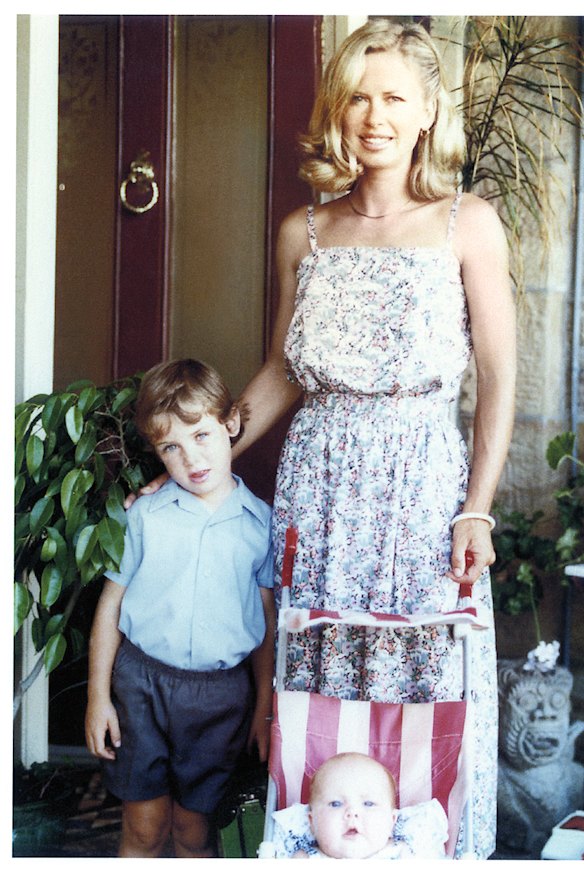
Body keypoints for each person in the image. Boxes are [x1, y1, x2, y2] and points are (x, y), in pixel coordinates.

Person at [131, 19, 516, 859]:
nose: (374, 116)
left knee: (425, 688)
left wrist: (476, 510)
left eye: (394, 98)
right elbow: (281, 370)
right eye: (357, 99)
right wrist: (201, 462)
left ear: (427, 112)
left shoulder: (469, 224)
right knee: (318, 692)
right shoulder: (302, 233)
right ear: (338, 112)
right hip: (322, 488)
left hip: (422, 491)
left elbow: (497, 378)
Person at [85, 358, 276, 858]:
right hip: (141, 687)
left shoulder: (261, 525)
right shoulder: (143, 515)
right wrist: (98, 697)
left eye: (201, 435)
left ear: (230, 424)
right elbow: (110, 607)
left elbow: (266, 625)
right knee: (144, 827)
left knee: (194, 831)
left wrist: (263, 707)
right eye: (171, 447)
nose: (191, 458)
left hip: (219, 699)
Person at [292, 752, 410, 859]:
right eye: (336, 804)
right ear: (312, 822)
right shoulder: (305, 859)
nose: (352, 812)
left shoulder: (401, 853)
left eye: (368, 804)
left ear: (391, 821)